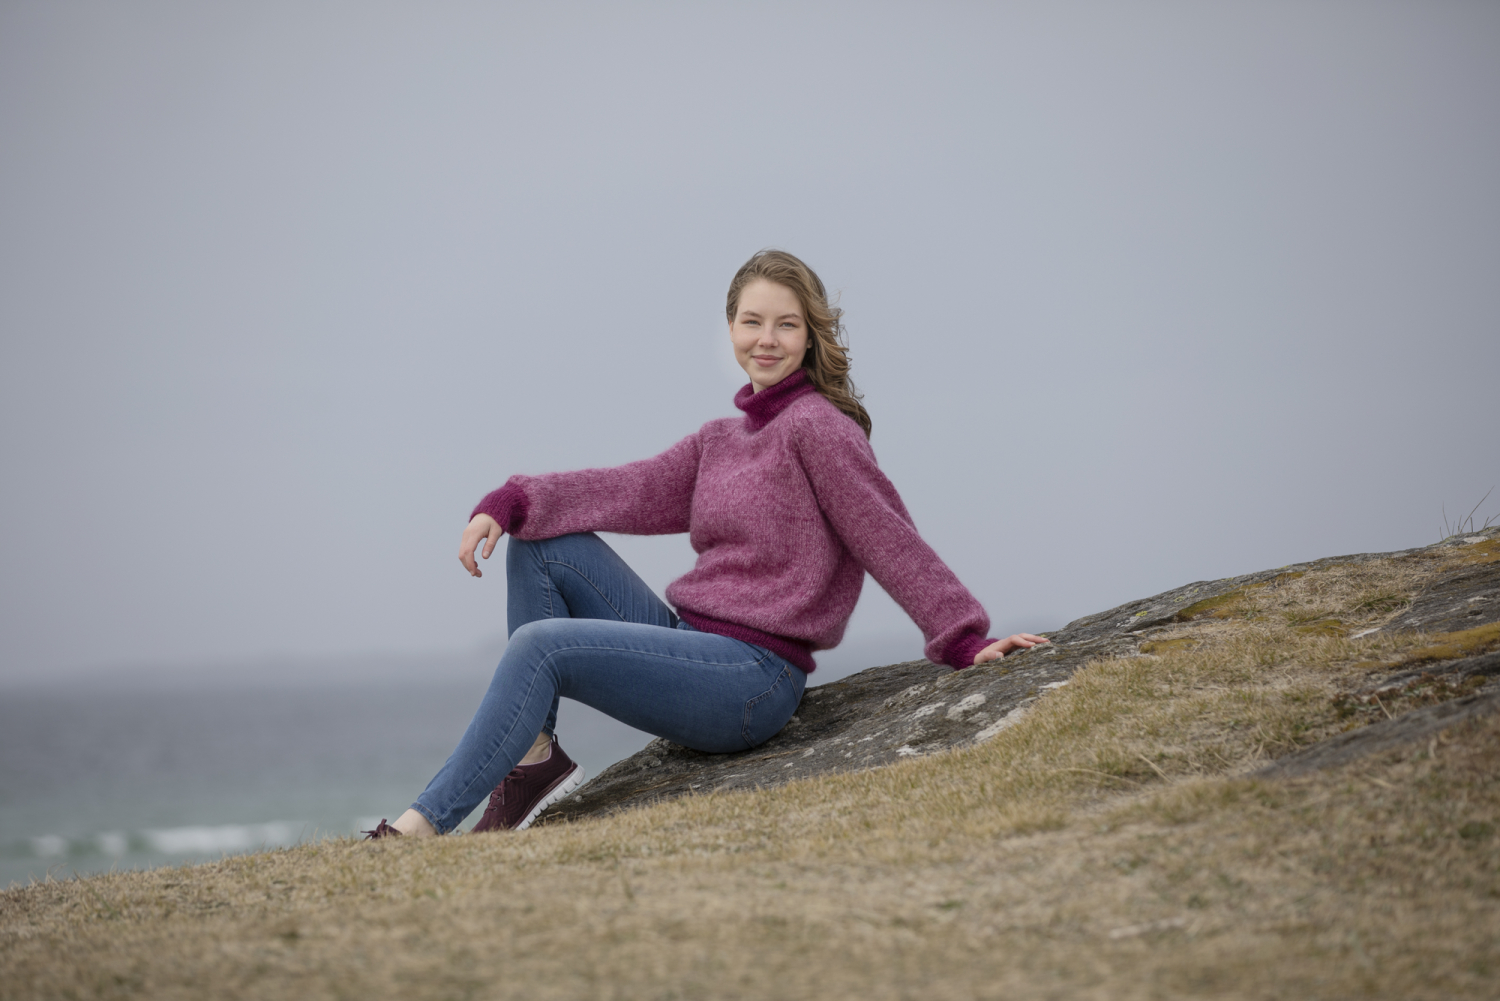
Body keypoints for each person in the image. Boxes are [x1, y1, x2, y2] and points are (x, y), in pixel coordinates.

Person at [364, 250, 1048, 839]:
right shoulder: (721, 440)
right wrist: (511, 500)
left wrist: (963, 638)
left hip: (752, 680)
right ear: (730, 329)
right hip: (692, 643)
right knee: (540, 547)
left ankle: (420, 828)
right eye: (752, 321)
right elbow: (629, 488)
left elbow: (887, 535)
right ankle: (534, 758)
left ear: (811, 336)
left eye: (786, 324)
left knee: (539, 646)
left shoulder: (818, 429)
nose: (767, 339)